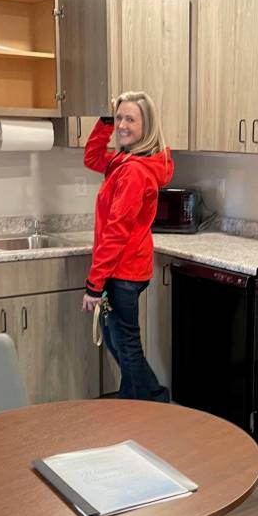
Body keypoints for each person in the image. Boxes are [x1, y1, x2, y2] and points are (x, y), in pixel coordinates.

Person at [82, 91, 172, 402]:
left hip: (123, 270)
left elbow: (116, 230)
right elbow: (92, 157)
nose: (122, 124)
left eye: (129, 119)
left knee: (125, 343)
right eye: (119, 117)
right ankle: (155, 397)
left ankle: (136, 409)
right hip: (127, 267)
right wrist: (107, 120)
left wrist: (94, 283)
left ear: (146, 126)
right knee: (118, 340)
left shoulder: (133, 171)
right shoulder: (126, 160)